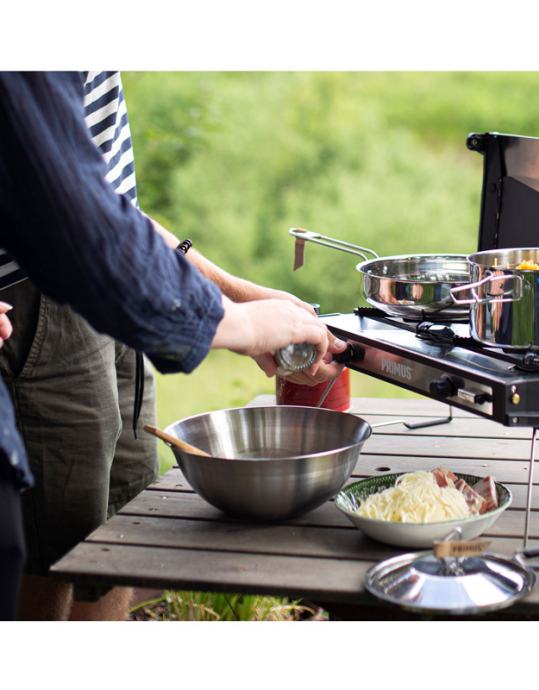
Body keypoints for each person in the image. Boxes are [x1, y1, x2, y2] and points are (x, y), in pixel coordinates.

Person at [0, 71, 344, 620]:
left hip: (113, 278)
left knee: (121, 523)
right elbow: (62, 210)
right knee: (55, 547)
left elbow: (97, 197)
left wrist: (236, 296)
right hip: (33, 300)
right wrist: (237, 324)